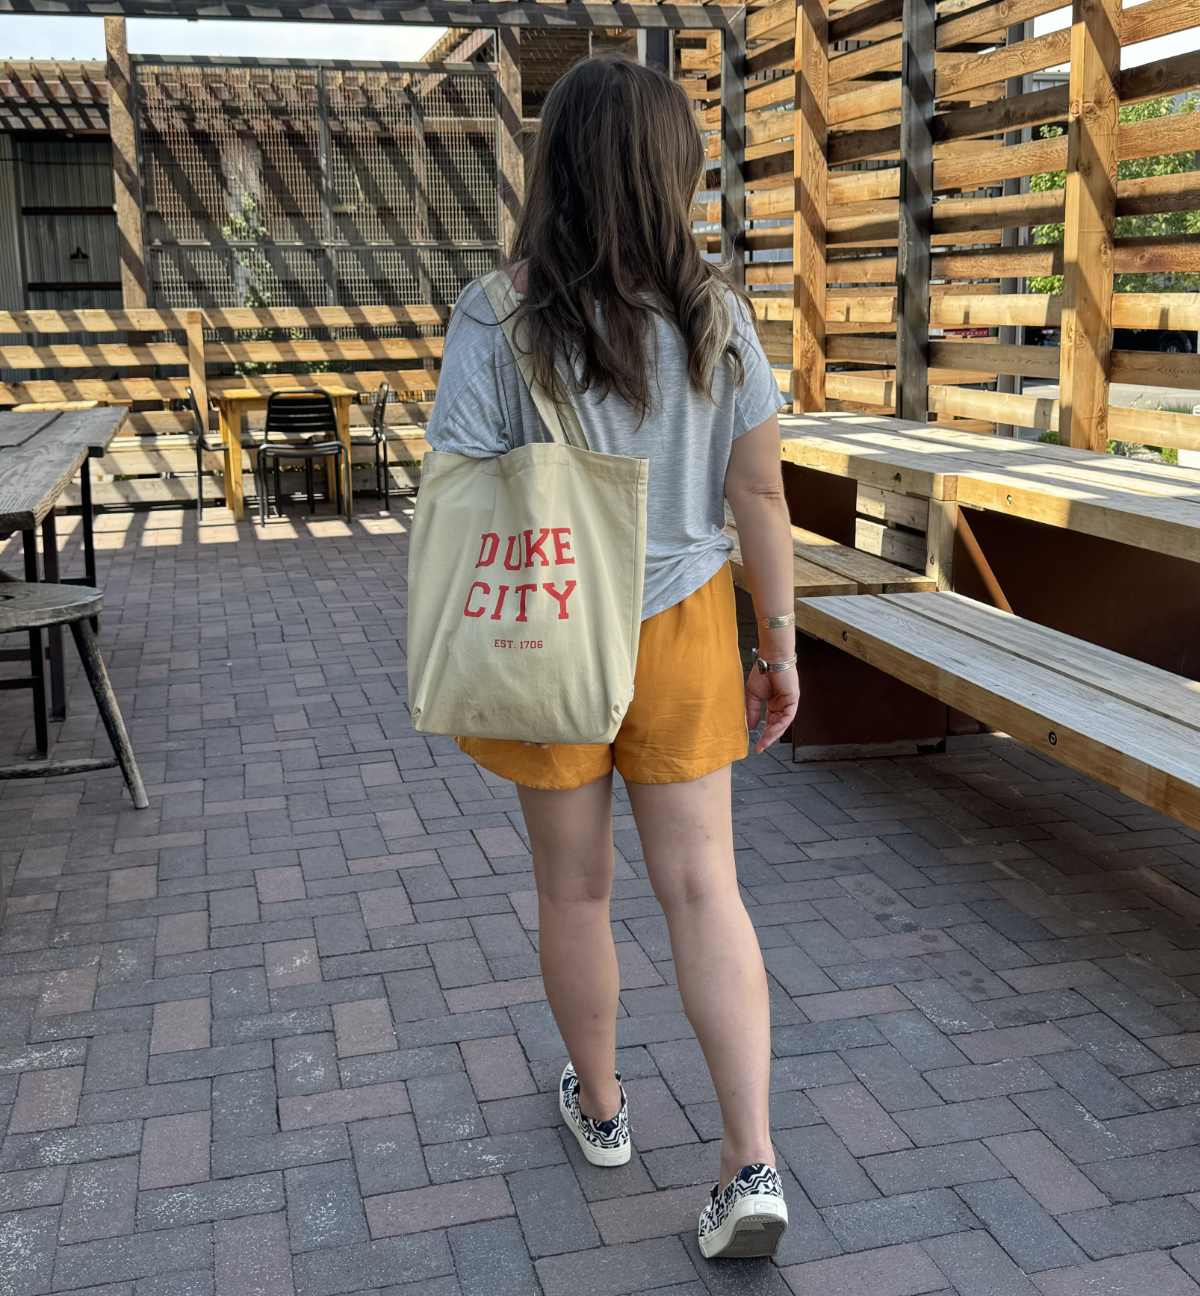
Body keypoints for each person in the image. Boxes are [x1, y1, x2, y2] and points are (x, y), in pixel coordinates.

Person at [423, 51, 799, 1261]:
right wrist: (777, 645)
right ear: (670, 170)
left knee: (574, 890)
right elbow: (761, 498)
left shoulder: (497, 311)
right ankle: (750, 1160)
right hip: (689, 622)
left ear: (556, 168)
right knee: (705, 889)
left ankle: (601, 1108)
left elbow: (466, 487)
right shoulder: (719, 313)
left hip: (547, 629)